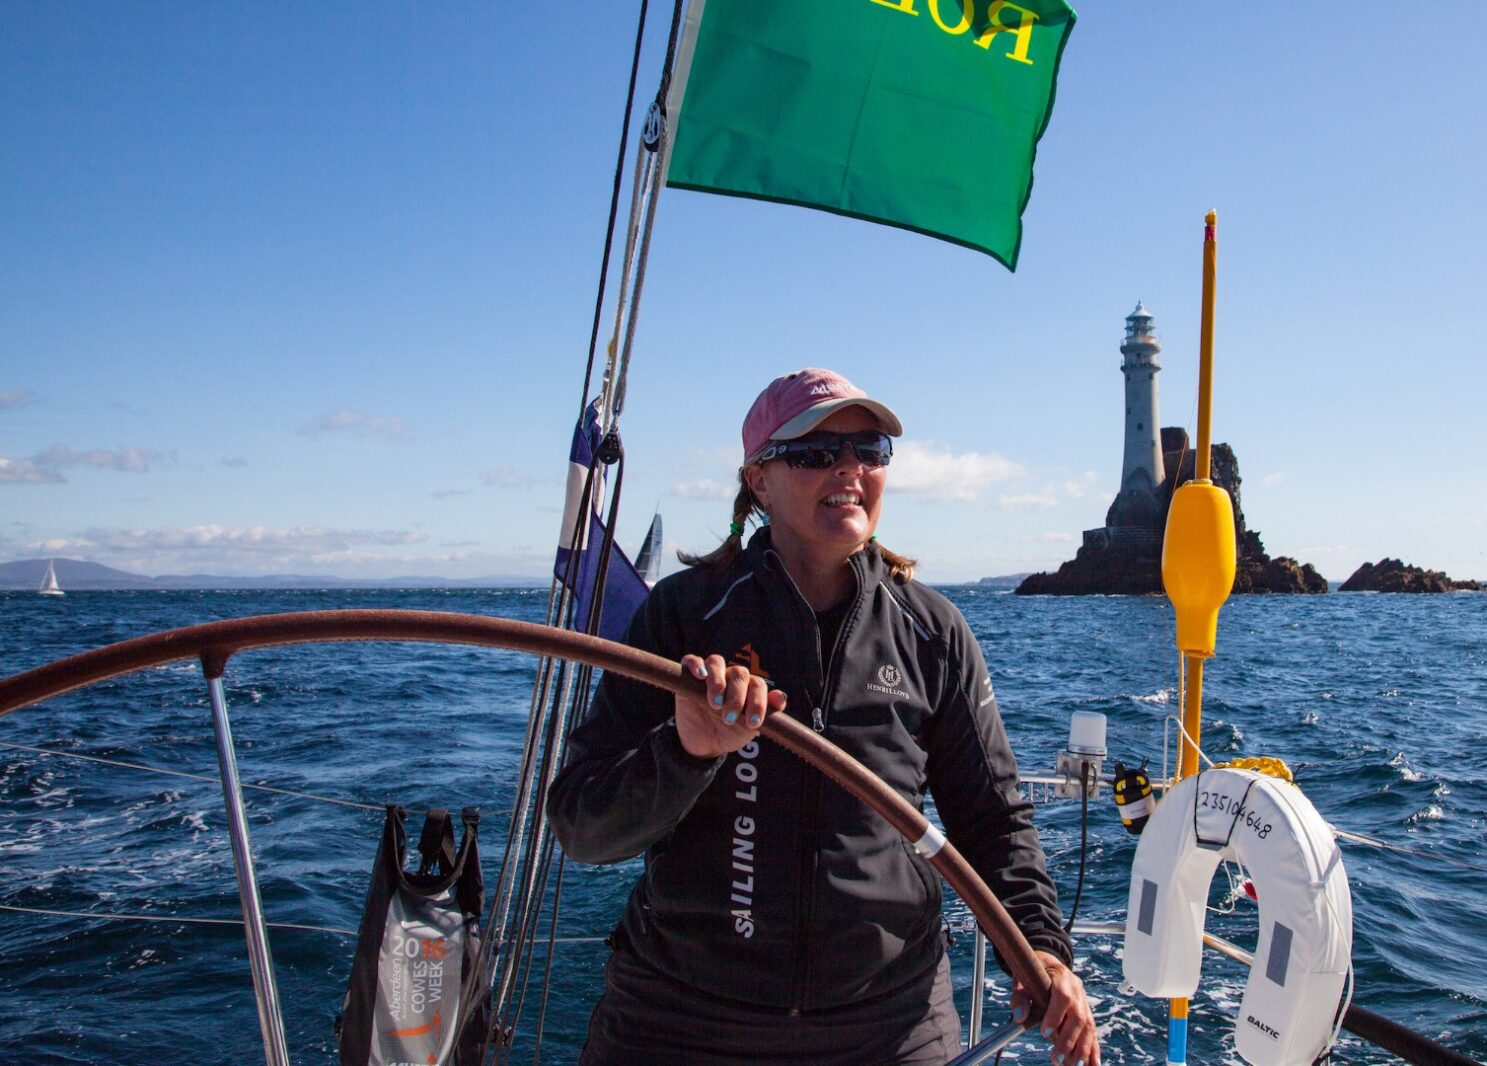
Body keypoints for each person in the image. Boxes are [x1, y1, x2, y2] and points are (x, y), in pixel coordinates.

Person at [548, 368, 1100, 1066]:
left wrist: (1042, 949)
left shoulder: (932, 630)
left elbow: (992, 820)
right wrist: (683, 751)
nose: (848, 469)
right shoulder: (684, 616)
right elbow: (583, 828)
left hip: (888, 1024)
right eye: (814, 453)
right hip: (684, 1018)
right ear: (758, 481)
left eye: (868, 451)